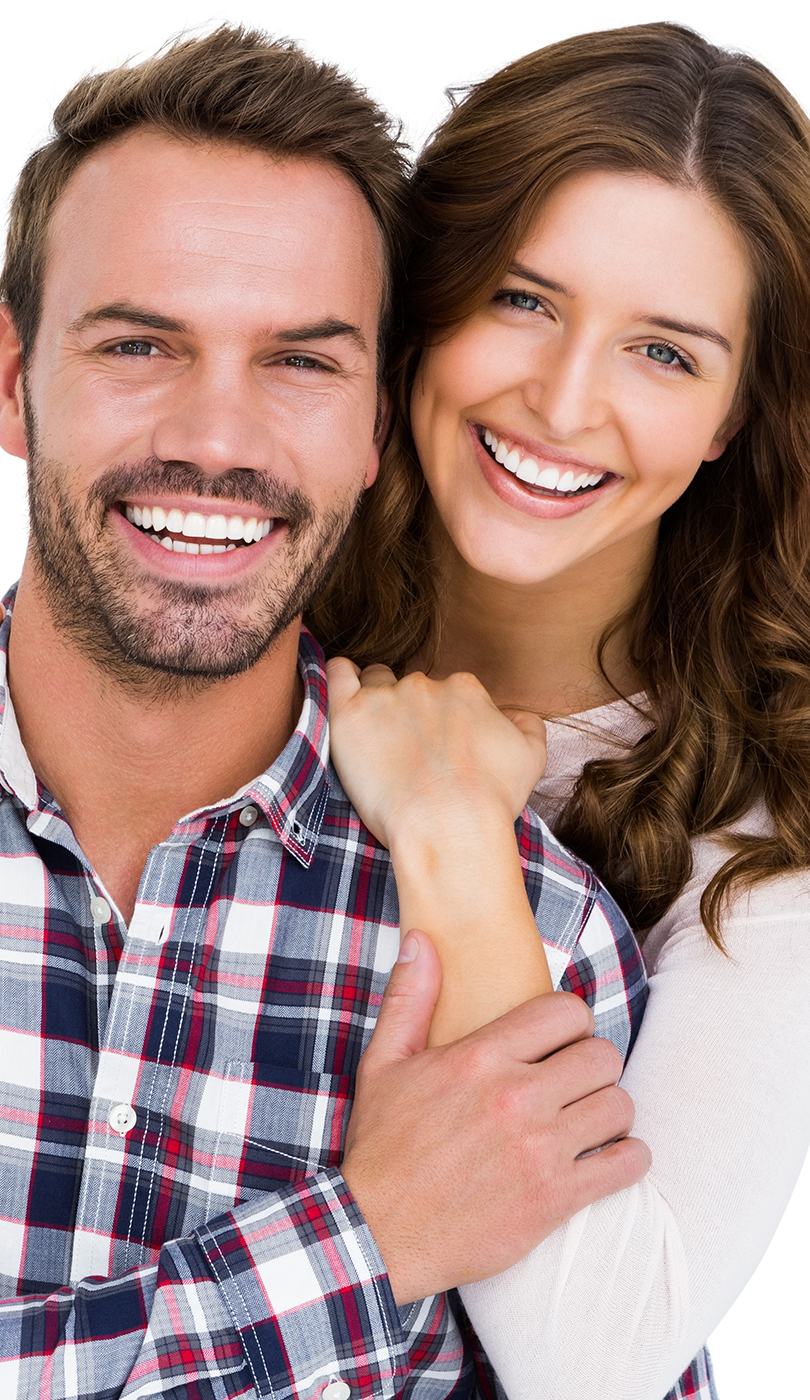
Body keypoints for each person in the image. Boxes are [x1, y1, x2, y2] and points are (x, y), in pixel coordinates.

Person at [0, 24, 651, 1399]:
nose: (219, 439)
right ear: (12, 378)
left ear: (373, 424)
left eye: (301, 362)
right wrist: (365, 1245)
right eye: (138, 342)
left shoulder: (531, 952)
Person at [313, 21, 810, 1400]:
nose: (564, 400)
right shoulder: (241, 610)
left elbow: (600, 1364)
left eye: (664, 354)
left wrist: (456, 839)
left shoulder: (765, 821)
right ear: (427, 295)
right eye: (523, 301)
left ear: (728, 418)